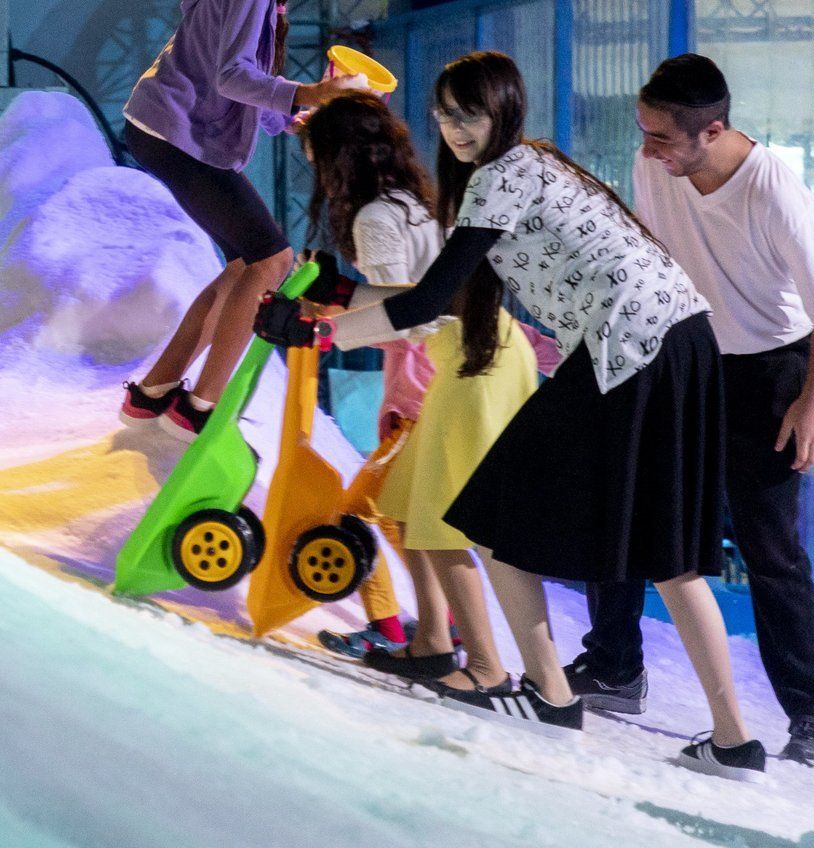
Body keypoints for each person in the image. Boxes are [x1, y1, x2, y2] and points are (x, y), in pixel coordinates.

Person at [257, 51, 763, 780]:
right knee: (670, 556)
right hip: (678, 341)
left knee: (496, 511)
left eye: (469, 113)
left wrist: (317, 330)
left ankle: (548, 696)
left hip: (629, 349)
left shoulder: (502, 177)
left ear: (505, 111)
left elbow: (427, 304)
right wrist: (340, 295)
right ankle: (733, 741)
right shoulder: (533, 168)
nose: (454, 128)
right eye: (444, 115)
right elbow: (452, 295)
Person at [569, 54, 814, 766]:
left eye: (662, 138)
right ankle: (613, 665)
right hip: (680, 355)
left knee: (770, 547)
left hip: (767, 373)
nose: (646, 149)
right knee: (623, 507)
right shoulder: (653, 167)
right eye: (644, 132)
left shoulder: (773, 191)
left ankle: (813, 712)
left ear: (713, 131)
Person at [297, 94, 539, 692]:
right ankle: (434, 642)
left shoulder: (376, 219)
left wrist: (326, 314)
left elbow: (406, 315)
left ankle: (484, 667)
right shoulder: (409, 203)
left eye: (313, 154)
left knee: (438, 522)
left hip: (461, 363)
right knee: (406, 507)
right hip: (477, 351)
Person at [117, 0, 366, 439]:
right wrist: (307, 90)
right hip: (173, 134)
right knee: (273, 261)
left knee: (242, 264)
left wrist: (294, 114)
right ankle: (198, 411)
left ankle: (154, 393)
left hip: (167, 130)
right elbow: (232, 75)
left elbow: (234, 76)